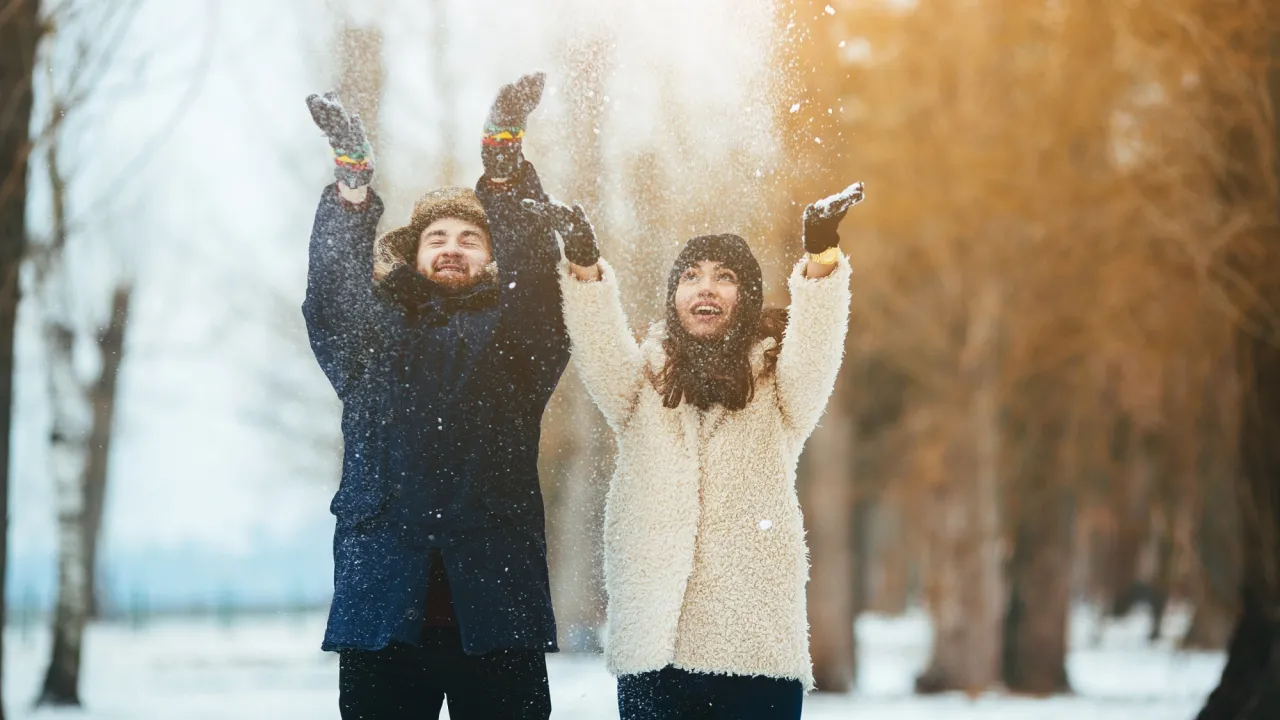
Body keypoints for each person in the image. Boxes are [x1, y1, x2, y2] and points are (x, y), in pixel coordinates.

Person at [525, 181, 863, 719]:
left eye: (725, 277)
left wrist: (821, 252)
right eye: (691, 276)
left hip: (756, 652)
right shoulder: (640, 384)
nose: (706, 287)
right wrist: (584, 262)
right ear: (674, 296)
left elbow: (818, 342)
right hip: (654, 651)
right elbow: (597, 340)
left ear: (746, 297)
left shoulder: (779, 388)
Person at [301, 72, 569, 720]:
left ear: (492, 258)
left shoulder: (517, 342)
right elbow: (333, 296)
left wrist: (504, 171)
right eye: (437, 239)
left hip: (496, 612)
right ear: (414, 254)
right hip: (383, 609)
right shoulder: (369, 340)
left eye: (470, 239)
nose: (452, 249)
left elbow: (537, 283)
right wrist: (351, 186)